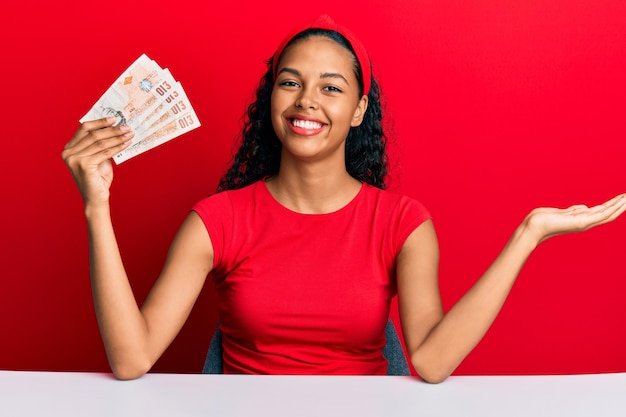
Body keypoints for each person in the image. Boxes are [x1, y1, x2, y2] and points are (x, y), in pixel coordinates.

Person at [62, 15, 626, 382]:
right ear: (272, 100)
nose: (307, 101)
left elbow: (430, 362)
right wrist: (96, 207)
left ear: (358, 111)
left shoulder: (402, 223)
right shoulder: (217, 221)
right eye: (290, 82)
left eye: (332, 88)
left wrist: (528, 234)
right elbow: (131, 358)